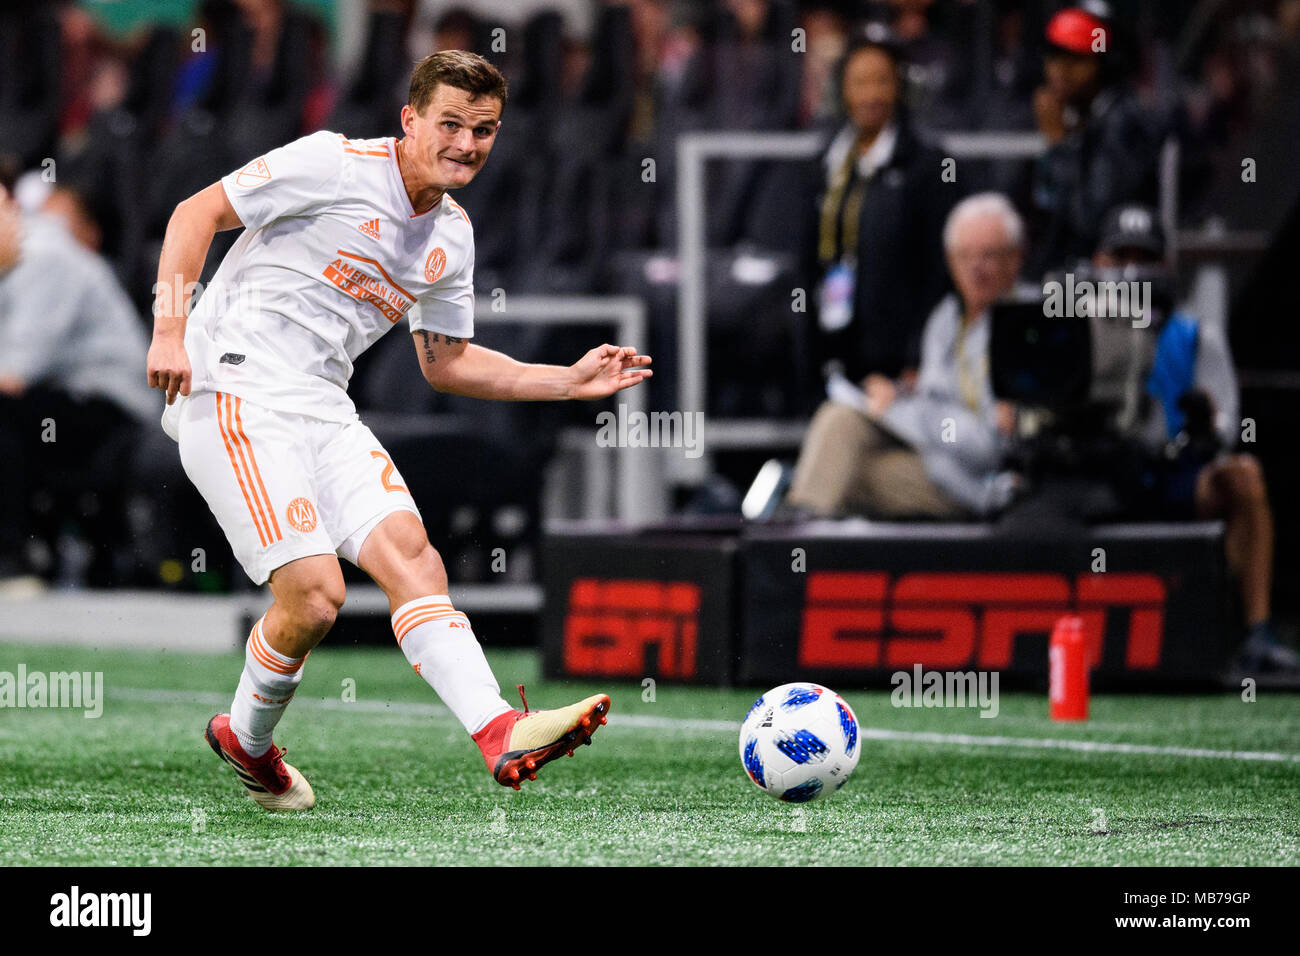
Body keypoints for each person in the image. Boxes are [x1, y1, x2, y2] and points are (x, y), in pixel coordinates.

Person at [145, 51, 652, 810]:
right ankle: (248, 740)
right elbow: (196, 214)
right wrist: (168, 330)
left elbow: (445, 364)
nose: (467, 144)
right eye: (450, 123)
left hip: (323, 403)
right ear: (409, 119)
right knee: (316, 599)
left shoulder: (451, 234)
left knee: (415, 559)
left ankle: (498, 730)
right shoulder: (331, 164)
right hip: (232, 387)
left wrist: (568, 381)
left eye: (484, 130)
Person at [1094, 204, 1299, 678]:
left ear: (1163, 267)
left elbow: (1226, 427)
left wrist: (1203, 425)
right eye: (1119, 256)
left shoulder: (1194, 336)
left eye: (1142, 258)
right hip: (1099, 475)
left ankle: (1255, 632)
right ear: (1098, 263)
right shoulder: (1077, 328)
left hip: (1171, 475)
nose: (1131, 270)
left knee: (1243, 476)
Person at [786, 192, 1025, 519]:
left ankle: (790, 545)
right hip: (935, 460)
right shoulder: (946, 318)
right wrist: (899, 395)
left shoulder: (1031, 324)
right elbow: (935, 400)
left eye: (988, 256)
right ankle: (796, 534)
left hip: (978, 483)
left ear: (1015, 259)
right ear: (949, 259)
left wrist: (901, 412)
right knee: (839, 423)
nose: (976, 268)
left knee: (842, 469)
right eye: (965, 256)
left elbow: (987, 447)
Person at [0, 183, 153, 591]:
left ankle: (14, 561)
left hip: (111, 402)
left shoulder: (45, 257)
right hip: (54, 394)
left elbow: (14, 373)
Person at [811, 29, 954, 388]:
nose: (871, 95)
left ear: (901, 88)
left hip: (899, 367)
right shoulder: (827, 162)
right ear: (841, 90)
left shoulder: (927, 165)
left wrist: (917, 357)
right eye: (859, 82)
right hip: (837, 352)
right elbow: (807, 262)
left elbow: (938, 273)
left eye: (882, 81)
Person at [1029, 4, 1162, 274]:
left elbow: (1091, 222)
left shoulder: (1122, 123)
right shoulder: (1091, 119)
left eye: (1075, 60)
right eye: (1054, 58)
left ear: (1104, 64)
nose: (1060, 72)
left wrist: (1059, 145)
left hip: (1112, 281)